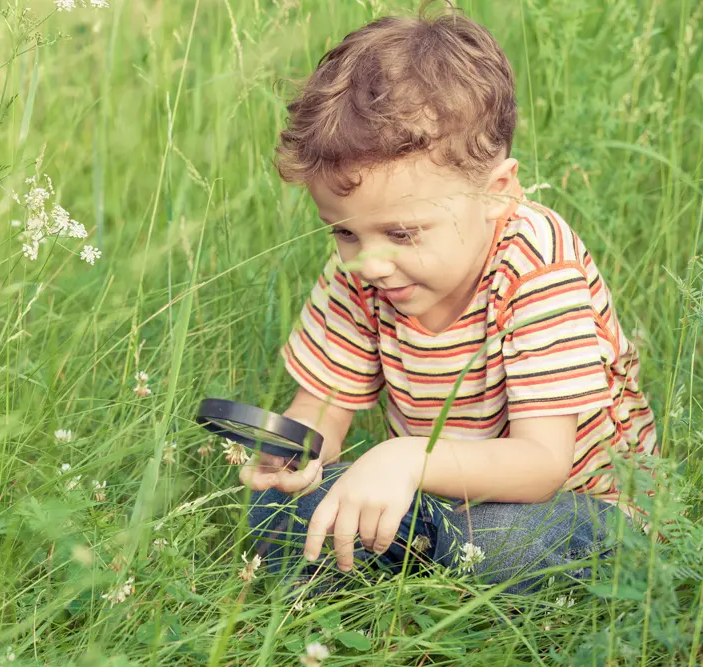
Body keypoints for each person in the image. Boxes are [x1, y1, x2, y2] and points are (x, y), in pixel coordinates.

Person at [242, 1, 659, 595]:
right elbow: (325, 407)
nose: (370, 261)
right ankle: (421, 557)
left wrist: (406, 458)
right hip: (431, 492)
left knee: (509, 544)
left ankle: (424, 561)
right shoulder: (364, 269)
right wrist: (295, 448)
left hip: (578, 504)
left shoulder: (535, 262)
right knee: (279, 518)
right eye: (343, 231)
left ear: (497, 194)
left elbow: (543, 464)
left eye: (402, 233)